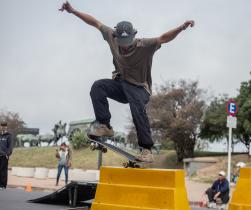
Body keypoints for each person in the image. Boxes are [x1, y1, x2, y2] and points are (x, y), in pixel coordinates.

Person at [59, 1, 195, 162]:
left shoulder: (145, 45)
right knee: (98, 86)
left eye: (127, 44)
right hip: (122, 86)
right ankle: (105, 126)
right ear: (115, 37)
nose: (124, 48)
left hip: (140, 90)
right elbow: (94, 22)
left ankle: (146, 150)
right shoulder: (110, 35)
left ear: (134, 37)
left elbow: (164, 38)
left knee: (135, 103)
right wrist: (73, 11)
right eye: (121, 44)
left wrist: (181, 28)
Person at [0, 121, 13, 190]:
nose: (3, 127)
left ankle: (3, 185)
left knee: (3, 171)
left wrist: (8, 154)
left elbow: (10, 146)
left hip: (4, 156)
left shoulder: (9, 136)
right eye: (2, 126)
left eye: (4, 126)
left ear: (6, 127)